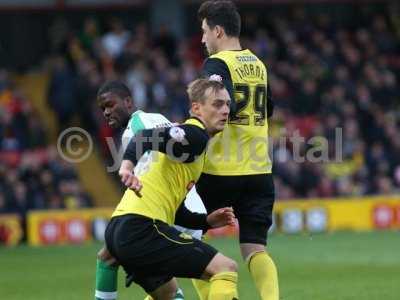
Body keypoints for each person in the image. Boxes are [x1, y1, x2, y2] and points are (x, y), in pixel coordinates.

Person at [95, 80, 236, 300]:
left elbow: (177, 209)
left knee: (169, 296)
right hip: (142, 228)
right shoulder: (195, 135)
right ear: (197, 108)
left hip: (120, 228)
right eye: (217, 104)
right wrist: (127, 165)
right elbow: (144, 137)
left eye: (228, 104)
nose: (226, 110)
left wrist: (206, 222)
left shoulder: (190, 145)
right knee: (225, 269)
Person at [193, 1, 279, 300]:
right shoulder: (258, 63)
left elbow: (220, 97)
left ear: (218, 30)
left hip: (220, 170)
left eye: (204, 32)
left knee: (185, 238)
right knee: (255, 248)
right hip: (259, 172)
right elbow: (269, 108)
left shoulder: (217, 64)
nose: (202, 39)